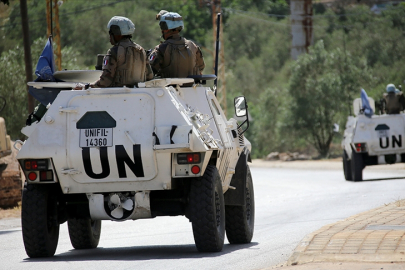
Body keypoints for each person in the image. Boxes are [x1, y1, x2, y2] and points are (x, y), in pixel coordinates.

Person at [85, 16, 153, 89]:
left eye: (111, 33)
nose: (110, 36)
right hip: (140, 95)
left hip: (118, 96)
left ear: (117, 33)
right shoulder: (141, 50)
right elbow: (150, 76)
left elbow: (105, 82)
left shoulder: (114, 51)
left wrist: (88, 86)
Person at [149, 10, 205, 78]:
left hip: (167, 88)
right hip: (191, 87)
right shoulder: (192, 45)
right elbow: (201, 67)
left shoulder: (161, 48)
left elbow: (150, 71)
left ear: (166, 29)